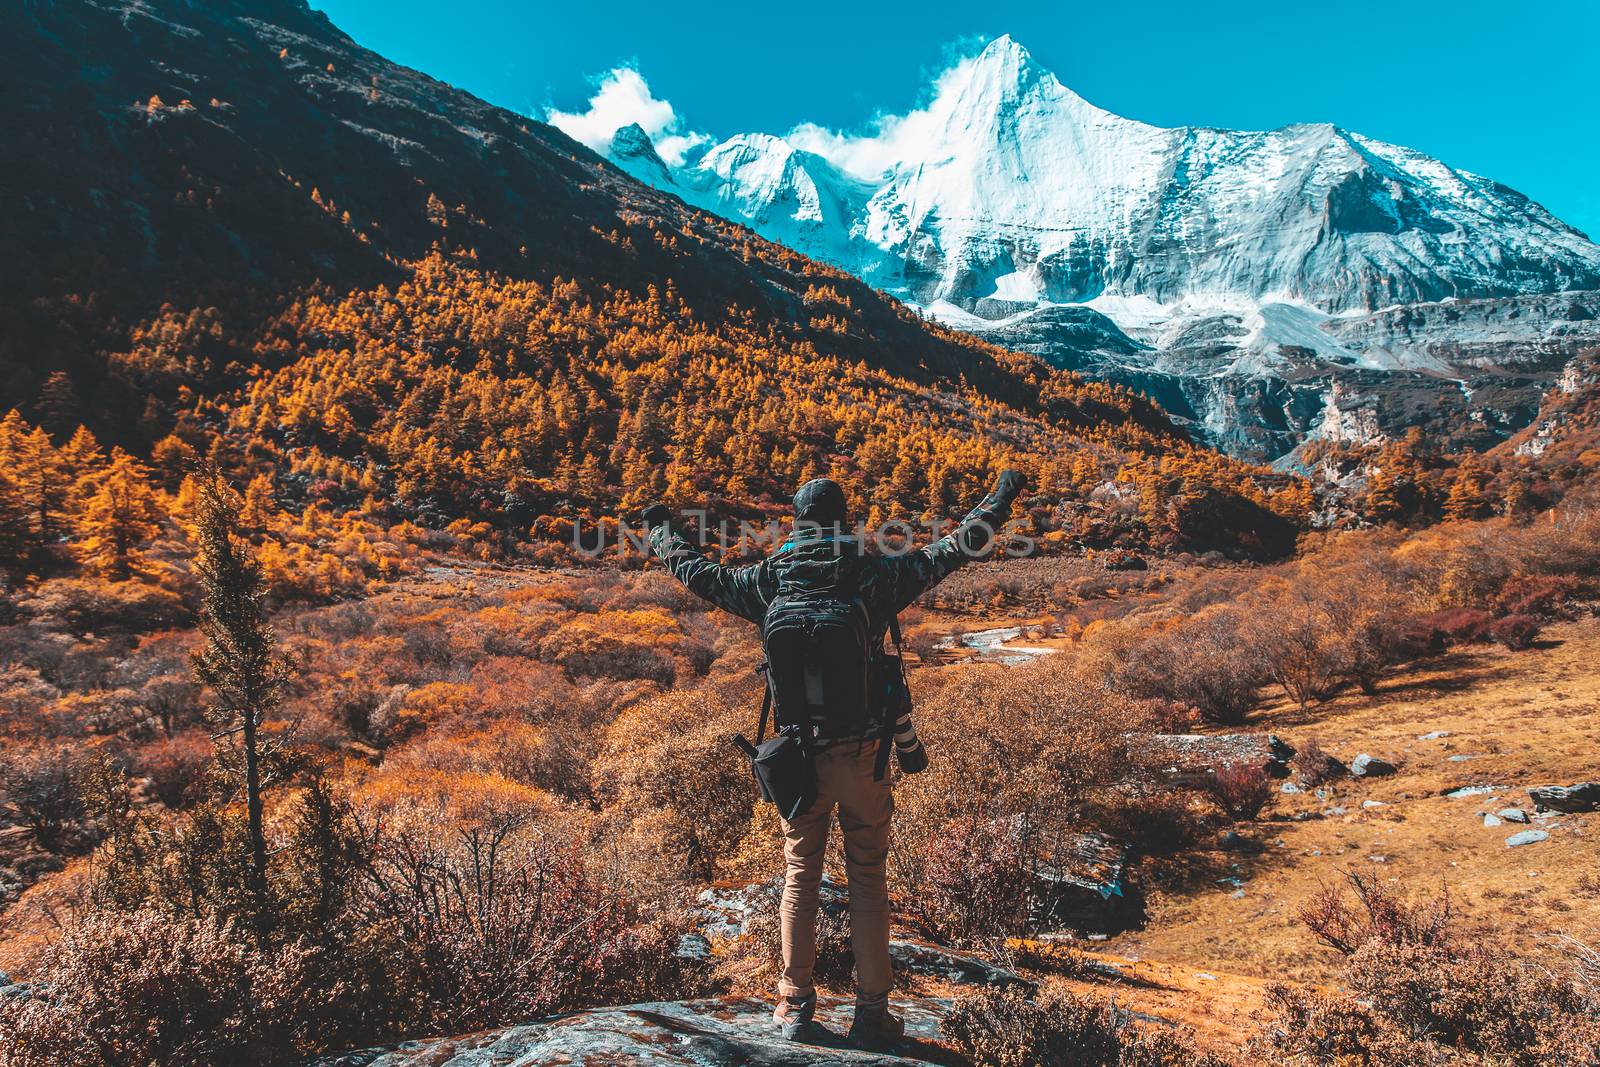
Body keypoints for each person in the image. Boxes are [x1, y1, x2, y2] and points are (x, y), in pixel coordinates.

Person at [640, 469, 1026, 1049]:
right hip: (864, 752)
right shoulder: (876, 574)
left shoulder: (770, 579)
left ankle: (793, 1006)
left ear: (796, 523)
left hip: (798, 755)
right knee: (867, 877)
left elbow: (696, 572)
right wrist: (1003, 494)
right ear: (845, 521)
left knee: (801, 875)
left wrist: (658, 527)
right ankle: (873, 1013)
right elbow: (960, 544)